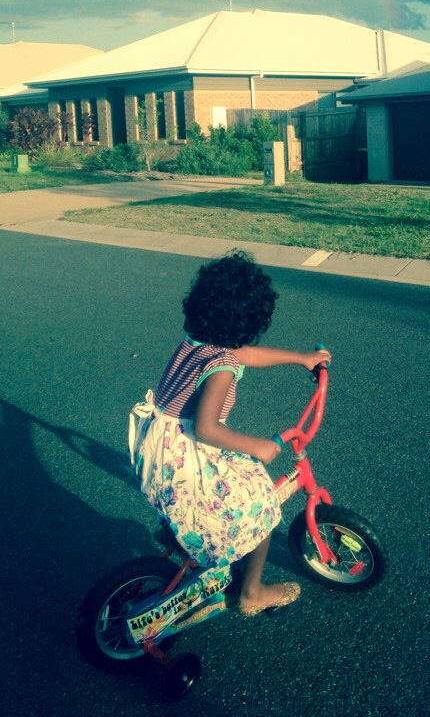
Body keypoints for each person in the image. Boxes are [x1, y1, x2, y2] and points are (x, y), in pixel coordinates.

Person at [132, 250, 330, 617]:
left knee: (237, 483)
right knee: (260, 504)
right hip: (187, 457)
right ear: (250, 320)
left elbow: (245, 355)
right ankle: (252, 593)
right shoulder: (220, 365)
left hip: (159, 449)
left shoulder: (198, 339)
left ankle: (180, 534)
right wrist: (259, 445)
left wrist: (300, 357)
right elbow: (208, 428)